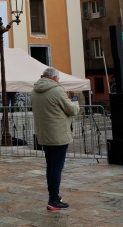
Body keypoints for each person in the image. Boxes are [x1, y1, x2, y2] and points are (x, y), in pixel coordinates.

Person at [31, 67, 80, 211]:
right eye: (58, 78)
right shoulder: (58, 90)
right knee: (57, 167)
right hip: (58, 135)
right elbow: (71, 110)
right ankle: (53, 200)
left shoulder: (34, 91)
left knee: (51, 166)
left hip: (44, 134)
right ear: (53, 78)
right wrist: (75, 104)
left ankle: (53, 195)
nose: (59, 81)